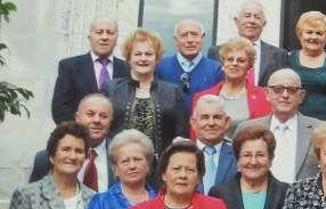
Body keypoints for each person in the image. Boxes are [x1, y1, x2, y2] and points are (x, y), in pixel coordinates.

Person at [104, 28, 189, 172]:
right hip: (119, 167)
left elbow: (181, 134)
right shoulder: (111, 89)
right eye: (138, 54)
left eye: (149, 54)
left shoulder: (172, 91)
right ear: (129, 59)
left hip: (160, 169)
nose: (143, 58)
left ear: (157, 59)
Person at [235, 69, 321, 182]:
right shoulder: (246, 129)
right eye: (277, 89)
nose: (285, 95)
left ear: (301, 96)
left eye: (291, 90)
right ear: (267, 93)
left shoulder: (319, 130)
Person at [31, 94, 118, 192]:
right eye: (90, 114)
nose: (97, 120)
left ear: (111, 121)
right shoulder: (45, 159)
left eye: (103, 116)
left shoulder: (120, 157)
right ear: (77, 117)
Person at [51, 17, 128, 123]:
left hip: (116, 138)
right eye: (99, 32)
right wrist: (78, 134)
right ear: (89, 37)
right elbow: (60, 109)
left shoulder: (127, 69)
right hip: (80, 135)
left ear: (116, 38)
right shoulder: (70, 67)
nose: (104, 37)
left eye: (110, 33)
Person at [192, 38, 272, 139]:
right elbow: (195, 136)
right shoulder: (202, 97)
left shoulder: (264, 97)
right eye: (230, 59)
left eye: (241, 60)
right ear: (223, 63)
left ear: (249, 66)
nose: (234, 63)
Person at [208, 1, 289, 87]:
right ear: (236, 21)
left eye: (257, 17)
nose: (252, 21)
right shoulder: (216, 52)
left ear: (264, 23)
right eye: (247, 16)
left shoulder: (279, 55)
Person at [155, 20, 223, 110]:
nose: (190, 40)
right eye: (184, 35)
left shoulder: (216, 69)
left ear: (202, 38)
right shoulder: (160, 67)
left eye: (194, 34)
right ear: (176, 40)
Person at [190, 95, 238, 191]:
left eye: (217, 117)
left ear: (227, 122)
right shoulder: (181, 155)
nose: (211, 123)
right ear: (193, 123)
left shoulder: (238, 155)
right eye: (204, 118)